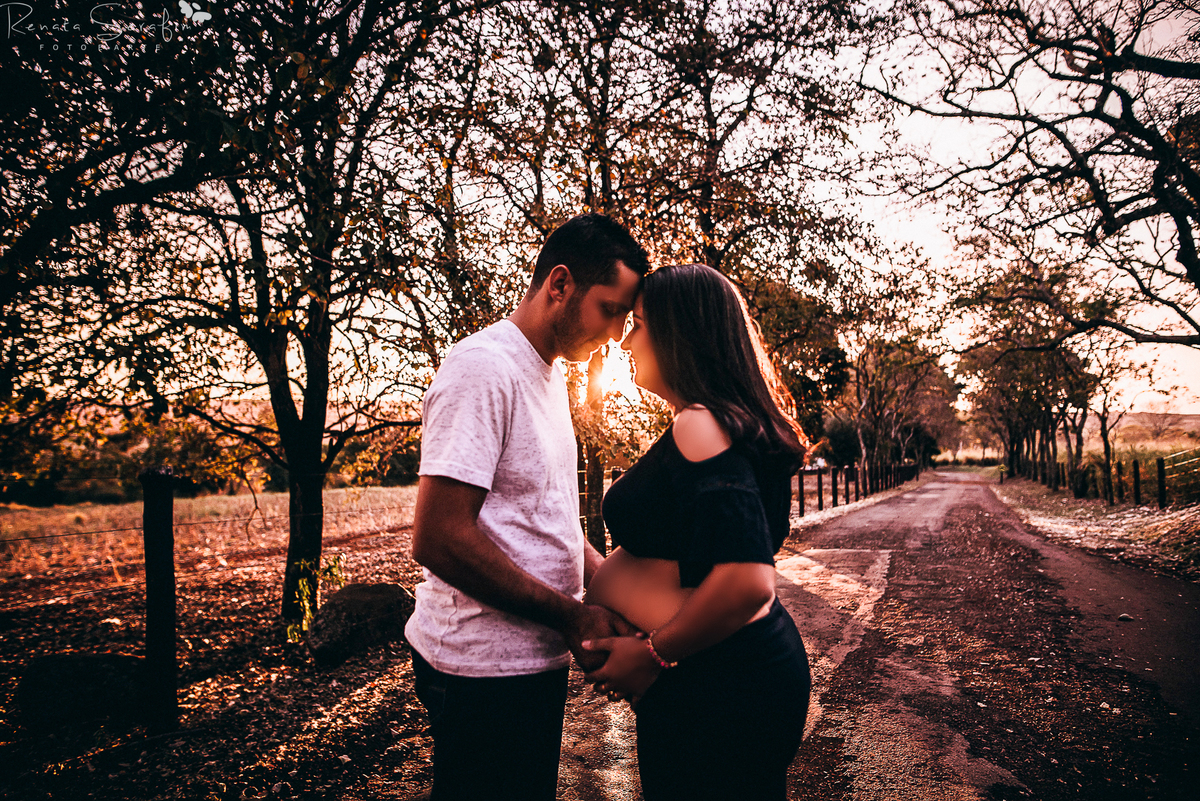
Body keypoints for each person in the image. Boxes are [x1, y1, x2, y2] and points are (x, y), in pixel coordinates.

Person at [405, 213, 649, 801]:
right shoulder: (483, 369)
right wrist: (570, 615)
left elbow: (551, 519)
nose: (617, 333)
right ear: (559, 285)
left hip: (528, 661)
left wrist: (617, 589)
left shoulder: (546, 372)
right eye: (610, 309)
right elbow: (437, 536)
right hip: (480, 673)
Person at [581, 263, 812, 801]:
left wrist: (654, 654)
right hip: (727, 674)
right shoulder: (726, 423)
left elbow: (750, 579)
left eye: (637, 323)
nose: (624, 339)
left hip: (719, 683)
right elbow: (683, 557)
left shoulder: (699, 424)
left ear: (678, 332)